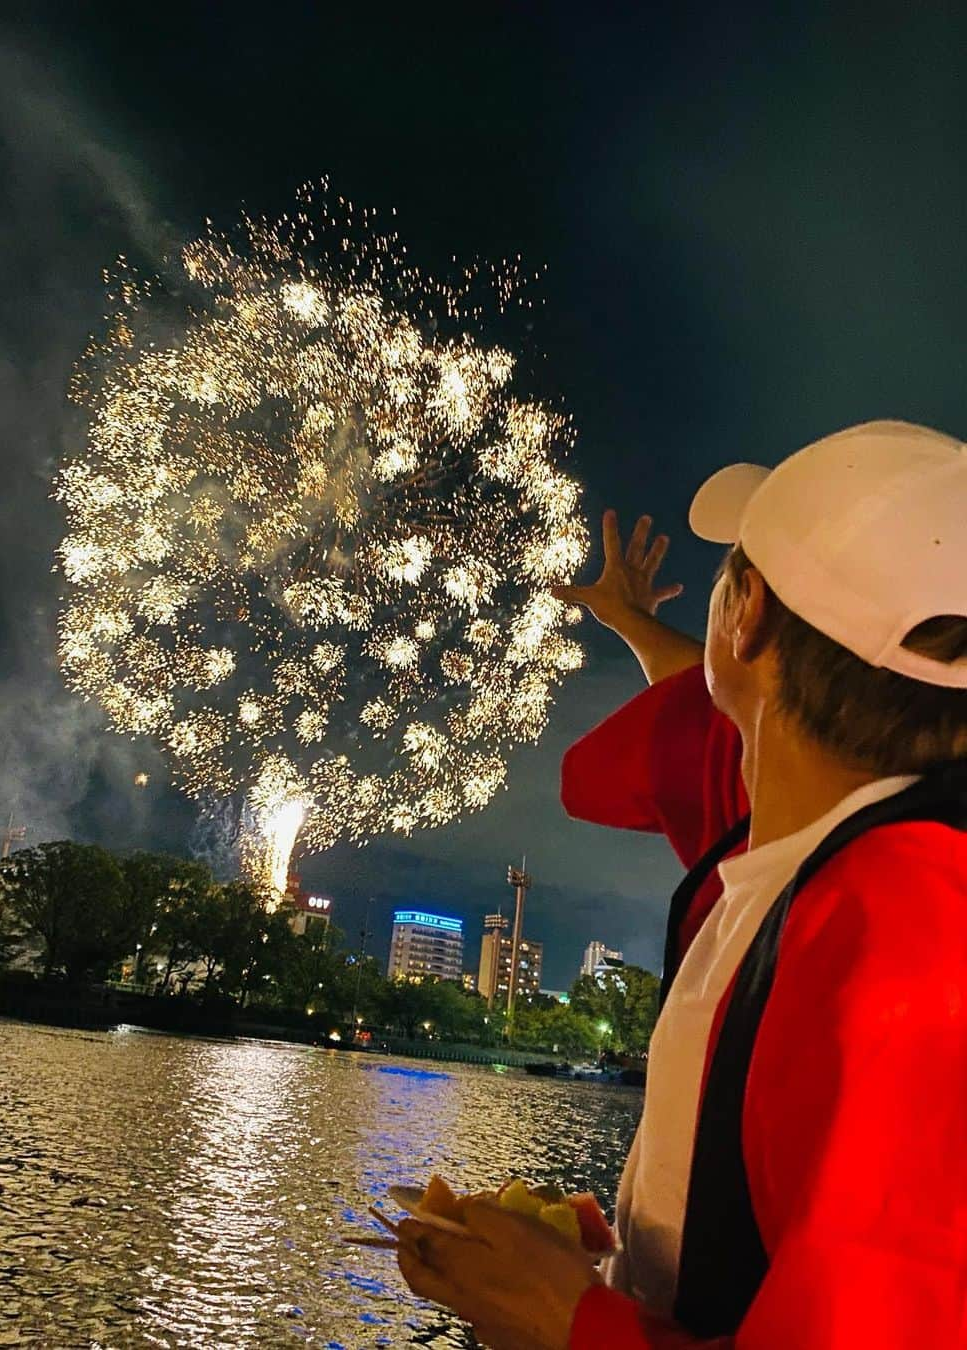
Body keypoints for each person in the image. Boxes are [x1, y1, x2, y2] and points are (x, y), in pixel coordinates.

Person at [396, 420, 967, 1348]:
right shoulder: (795, 857)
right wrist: (626, 1259)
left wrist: (563, 1318)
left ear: (744, 614)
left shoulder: (904, 927)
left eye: (729, 577)